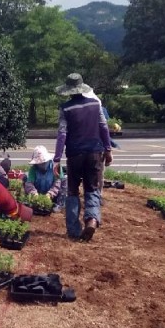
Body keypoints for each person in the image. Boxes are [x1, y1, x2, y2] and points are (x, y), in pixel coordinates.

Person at [52, 72, 112, 241]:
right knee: (92, 188)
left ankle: (74, 230)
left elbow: (62, 134)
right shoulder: (95, 104)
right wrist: (108, 149)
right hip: (94, 152)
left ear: (68, 91)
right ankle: (92, 219)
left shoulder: (66, 108)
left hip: (75, 154)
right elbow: (104, 127)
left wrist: (57, 159)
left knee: (72, 191)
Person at [24, 145, 66, 212]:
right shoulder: (33, 169)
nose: (41, 165)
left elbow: (57, 184)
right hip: (38, 194)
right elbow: (29, 184)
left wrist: (50, 194)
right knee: (25, 177)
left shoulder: (55, 167)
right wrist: (34, 193)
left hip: (53, 194)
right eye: (39, 163)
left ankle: (59, 204)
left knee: (64, 180)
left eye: (43, 163)